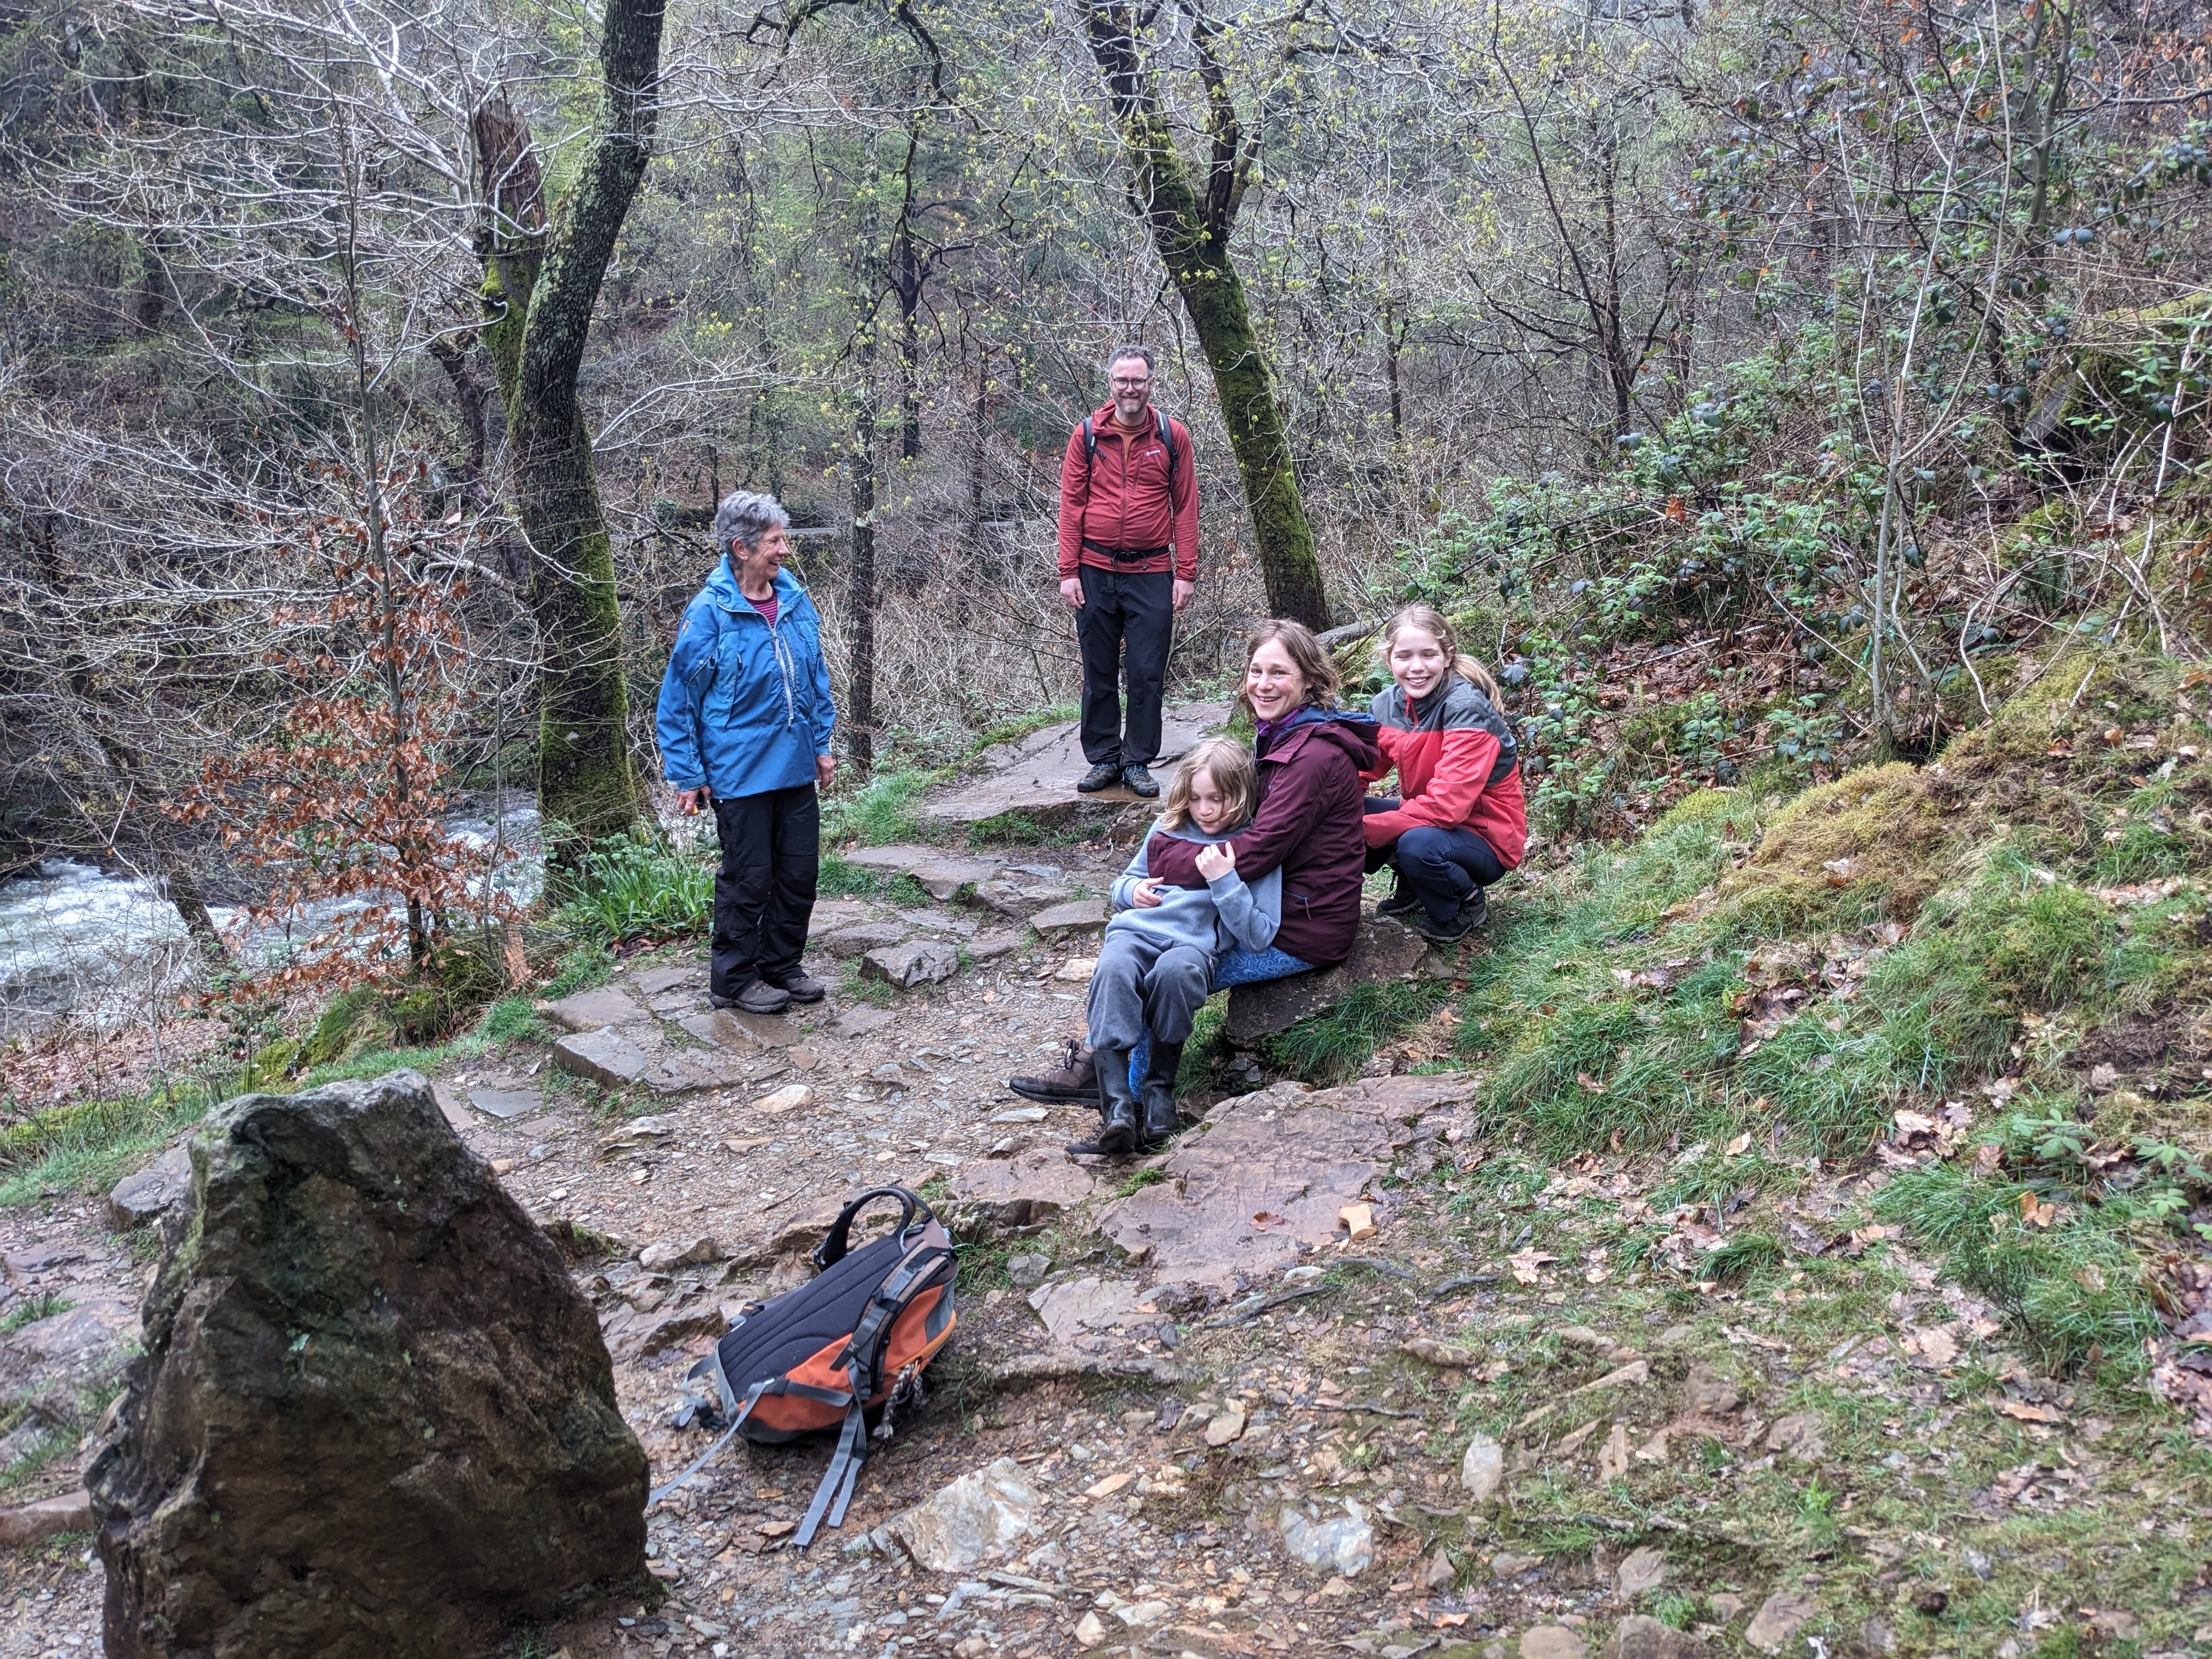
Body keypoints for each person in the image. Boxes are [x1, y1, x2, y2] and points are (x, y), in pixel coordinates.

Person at [1009, 619, 1378, 1103]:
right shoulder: (1284, 734)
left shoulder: (1312, 755)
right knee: (1147, 948)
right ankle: (1107, 1067)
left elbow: (1259, 848)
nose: (1264, 684)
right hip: (1279, 905)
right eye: (1256, 671)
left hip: (1297, 928)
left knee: (1158, 967)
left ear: (1309, 679)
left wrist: (1165, 857)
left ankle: (1127, 1096)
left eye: (1279, 673)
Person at [656, 491, 837, 1015]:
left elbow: (816, 679)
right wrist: (687, 774)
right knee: (749, 878)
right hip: (737, 772)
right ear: (741, 547)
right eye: (776, 540)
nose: (785, 549)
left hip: (796, 763)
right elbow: (678, 700)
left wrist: (822, 746)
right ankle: (733, 979)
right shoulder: (710, 613)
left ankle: (782, 965)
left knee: (798, 872)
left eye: (783, 538)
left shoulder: (796, 601)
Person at [1074, 738, 1280, 1156]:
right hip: (1136, 934)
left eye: (1217, 800)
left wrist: (1225, 881)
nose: (1204, 810)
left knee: (1176, 975)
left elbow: (1259, 934)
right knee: (1112, 972)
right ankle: (1116, 1110)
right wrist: (1132, 891)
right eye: (1196, 799)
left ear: (1240, 796)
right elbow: (1122, 883)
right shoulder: (1167, 827)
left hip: (1194, 947)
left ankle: (1159, 1100)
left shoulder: (1251, 847)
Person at [1057, 344, 1199, 801]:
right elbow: (1071, 504)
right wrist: (1068, 570)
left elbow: (1186, 508)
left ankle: (1137, 760)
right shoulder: (1087, 435)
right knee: (1098, 669)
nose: (1130, 388)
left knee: (1146, 670)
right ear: (1111, 384)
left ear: (1151, 382)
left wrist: (1186, 572)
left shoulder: (1172, 436)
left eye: (1138, 380)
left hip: (1153, 570)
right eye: (1122, 380)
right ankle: (1103, 758)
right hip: (1094, 568)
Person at [1362, 603, 1527, 941]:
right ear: (1389, 660)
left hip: (1486, 835)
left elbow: (1447, 807)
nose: (1417, 667)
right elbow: (1362, 768)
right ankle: (1416, 884)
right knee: (1348, 809)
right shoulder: (1385, 705)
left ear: (1447, 656)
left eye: (1428, 655)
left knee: (1416, 843)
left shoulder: (1465, 708)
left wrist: (1367, 830)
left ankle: (1465, 907)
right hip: (1431, 820)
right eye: (1404, 656)